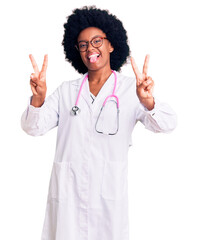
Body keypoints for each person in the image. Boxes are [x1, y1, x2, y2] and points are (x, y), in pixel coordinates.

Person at [21, 6, 177, 240]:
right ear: (77, 51)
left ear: (111, 44)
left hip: (108, 200)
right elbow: (32, 127)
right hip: (68, 200)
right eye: (83, 45)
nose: (90, 49)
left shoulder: (130, 90)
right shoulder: (66, 92)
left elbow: (168, 123)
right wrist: (38, 98)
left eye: (97, 41)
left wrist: (148, 101)